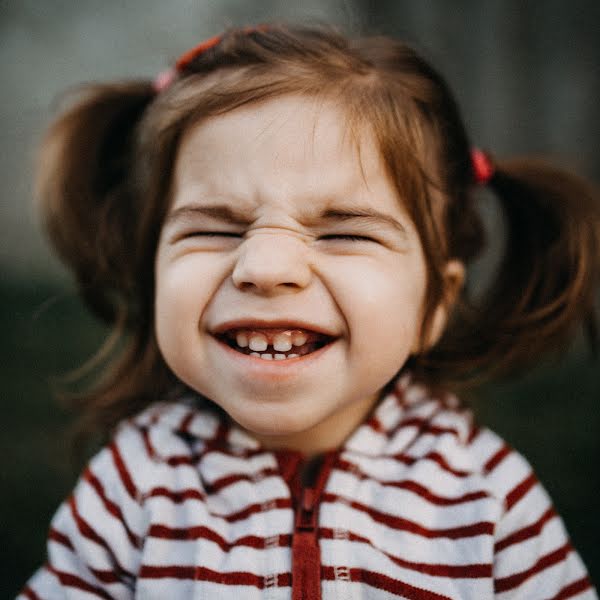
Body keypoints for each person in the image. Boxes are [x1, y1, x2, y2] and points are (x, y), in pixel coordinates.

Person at [19, 24, 598, 599]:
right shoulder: (133, 487)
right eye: (217, 228)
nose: (266, 267)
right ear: (154, 274)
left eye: (344, 233)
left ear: (434, 304)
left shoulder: (488, 497)